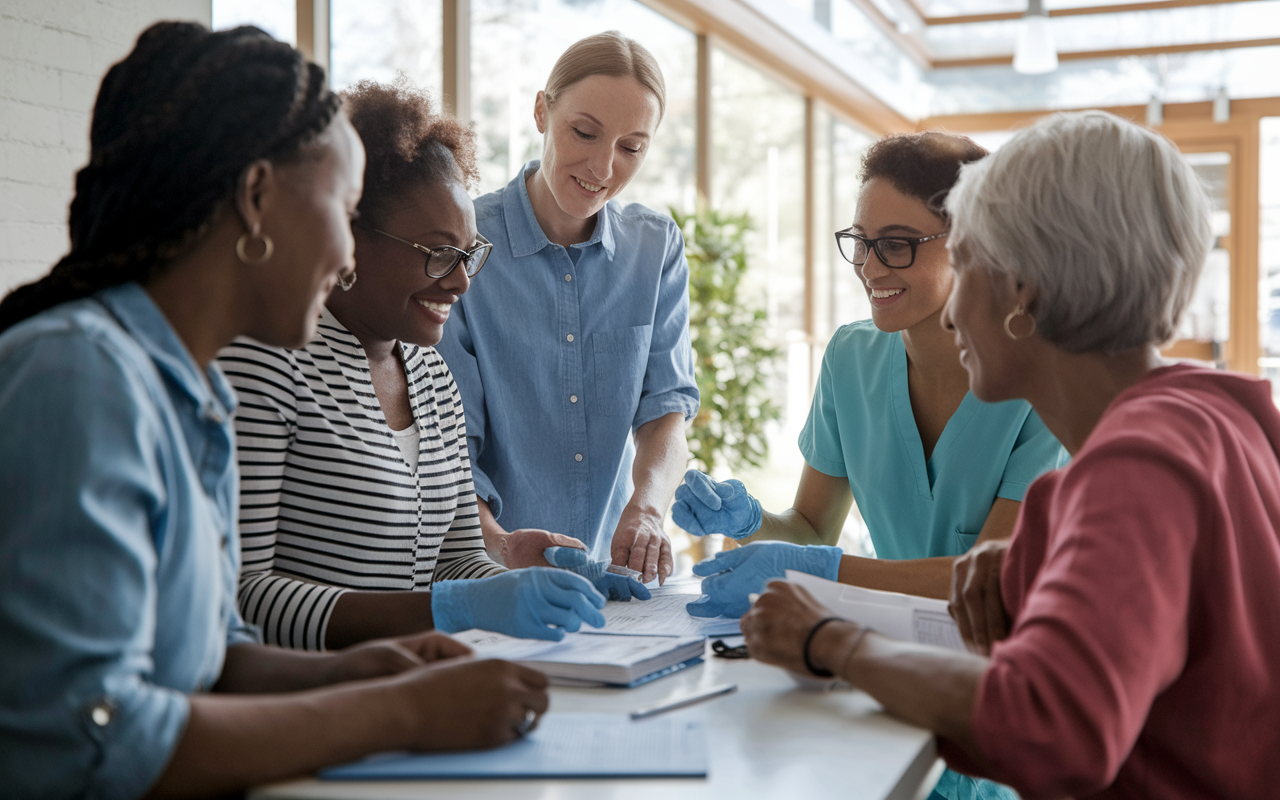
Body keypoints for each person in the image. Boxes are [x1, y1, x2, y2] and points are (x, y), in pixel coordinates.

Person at [0, 24, 549, 798]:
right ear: (257, 200)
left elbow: (210, 658)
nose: (349, 255)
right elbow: (93, 738)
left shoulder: (193, 393)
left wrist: (365, 670)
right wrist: (396, 712)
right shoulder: (78, 375)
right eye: (343, 207)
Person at [741, 110, 1280, 799]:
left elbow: (1055, 725)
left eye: (964, 266)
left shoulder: (1137, 467)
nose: (953, 311)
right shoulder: (1221, 417)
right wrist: (1033, 563)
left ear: (1023, 291)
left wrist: (829, 641)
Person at [219, 79, 634, 653]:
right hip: (307, 707)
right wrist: (446, 610)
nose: (462, 280)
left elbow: (456, 560)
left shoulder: (432, 375)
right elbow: (240, 596)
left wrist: (528, 585)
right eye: (440, 253)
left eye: (469, 254)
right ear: (349, 238)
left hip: (406, 693)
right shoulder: (267, 362)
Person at [674, 132, 1065, 611]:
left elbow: (993, 576)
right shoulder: (851, 359)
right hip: (896, 644)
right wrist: (747, 522)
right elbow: (813, 532)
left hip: (1017, 655)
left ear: (974, 243)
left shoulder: (1041, 377)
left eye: (897, 244)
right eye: (861, 242)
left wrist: (828, 573)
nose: (870, 268)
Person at [434, 31, 700, 584]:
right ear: (541, 111)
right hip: (487, 572)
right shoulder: (465, 242)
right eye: (584, 132)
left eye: (631, 147)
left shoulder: (656, 249)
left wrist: (648, 508)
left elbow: (667, 406)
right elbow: (451, 447)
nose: (603, 167)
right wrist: (501, 548)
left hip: (611, 577)